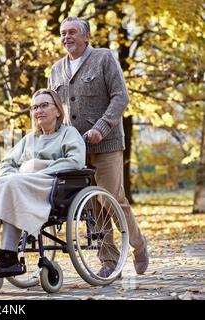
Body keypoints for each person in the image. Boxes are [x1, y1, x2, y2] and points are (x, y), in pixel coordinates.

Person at [47, 16, 149, 276]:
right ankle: (109, 261)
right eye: (63, 33)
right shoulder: (56, 70)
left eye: (72, 32)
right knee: (92, 204)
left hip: (106, 144)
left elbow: (120, 97)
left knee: (112, 198)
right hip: (75, 149)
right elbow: (54, 109)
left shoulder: (104, 58)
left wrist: (101, 128)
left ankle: (138, 245)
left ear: (86, 36)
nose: (66, 37)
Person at [0, 88, 86, 277]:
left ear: (58, 110)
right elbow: (7, 164)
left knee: (14, 185)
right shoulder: (29, 139)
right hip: (22, 183)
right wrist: (20, 173)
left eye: (44, 105)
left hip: (51, 185)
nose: (38, 110)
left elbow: (75, 161)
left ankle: (9, 255)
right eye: (34, 107)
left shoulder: (69, 134)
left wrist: (40, 168)